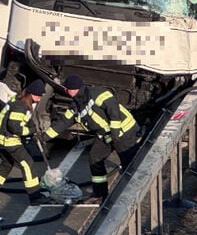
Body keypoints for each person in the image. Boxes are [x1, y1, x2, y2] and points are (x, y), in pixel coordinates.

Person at [44, 74, 140, 204]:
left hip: (123, 131)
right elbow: (63, 123)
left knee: (129, 163)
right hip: (105, 135)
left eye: (68, 89)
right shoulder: (75, 106)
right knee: (95, 158)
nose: (66, 91)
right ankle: (100, 194)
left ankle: (132, 195)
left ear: (74, 89)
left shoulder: (97, 93)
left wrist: (115, 131)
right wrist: (45, 136)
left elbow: (113, 109)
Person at [0, 80, 49, 206]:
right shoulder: (20, 106)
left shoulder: (19, 100)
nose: (38, 99)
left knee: (7, 164)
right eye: (37, 96)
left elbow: (26, 120)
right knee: (28, 164)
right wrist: (31, 131)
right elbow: (15, 127)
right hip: (8, 140)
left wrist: (34, 129)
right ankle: (35, 196)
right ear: (30, 93)